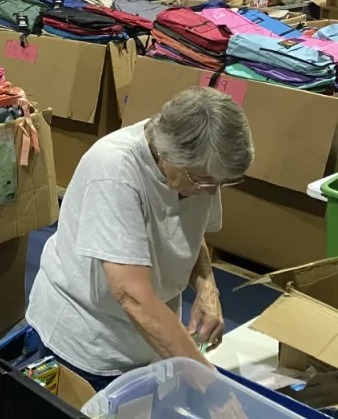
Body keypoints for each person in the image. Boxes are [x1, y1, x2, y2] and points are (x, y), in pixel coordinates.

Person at [26, 87, 254, 391]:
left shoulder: (197, 171)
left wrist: (207, 288)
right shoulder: (115, 171)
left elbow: (190, 231)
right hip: (90, 340)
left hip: (149, 339)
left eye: (220, 183)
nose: (211, 191)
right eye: (202, 180)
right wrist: (210, 385)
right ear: (168, 154)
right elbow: (131, 295)